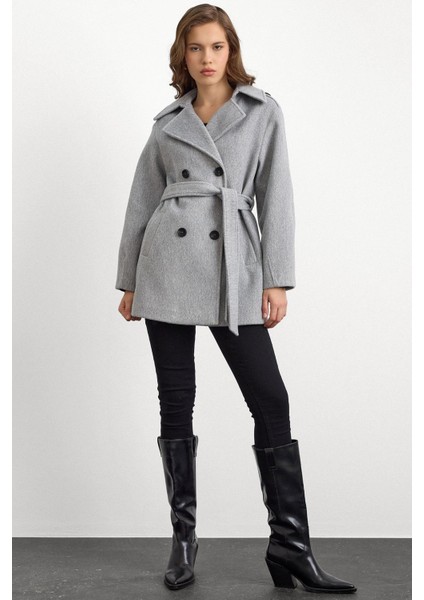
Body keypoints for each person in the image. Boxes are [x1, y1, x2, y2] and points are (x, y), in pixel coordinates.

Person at [115, 3, 357, 594]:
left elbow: (277, 195)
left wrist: (276, 278)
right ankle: (184, 541)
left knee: (270, 398)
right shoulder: (167, 122)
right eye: (195, 47)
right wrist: (129, 281)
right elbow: (141, 201)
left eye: (216, 46)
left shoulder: (261, 111)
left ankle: (290, 545)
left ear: (232, 50)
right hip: (167, 267)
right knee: (177, 401)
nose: (206, 58)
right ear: (183, 54)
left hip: (235, 268)